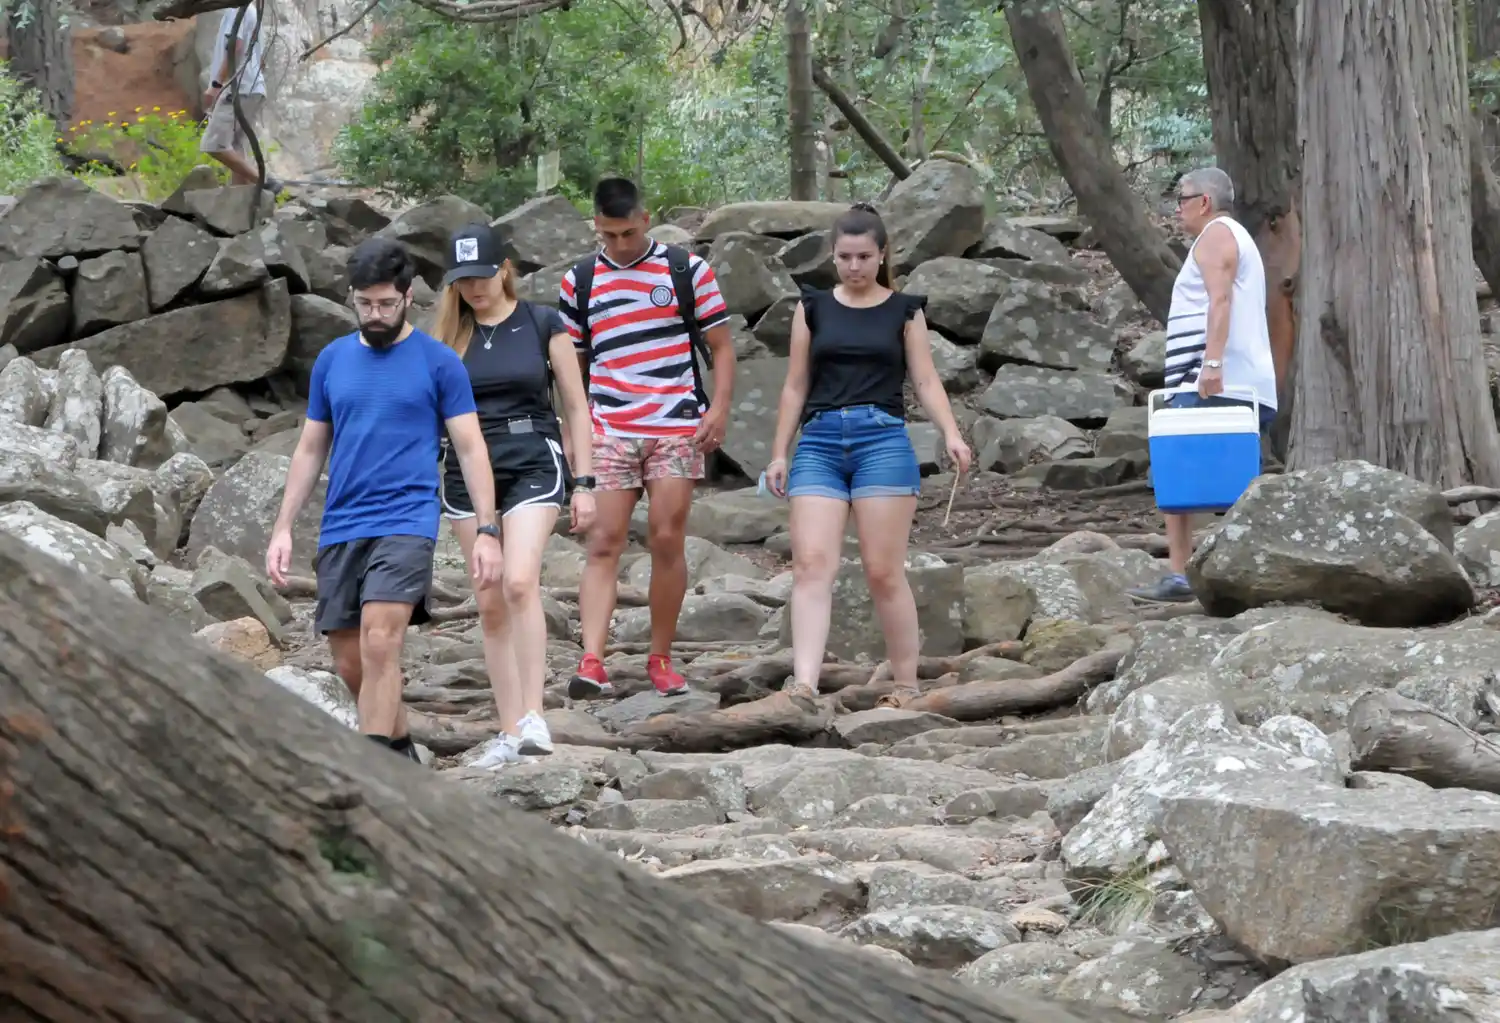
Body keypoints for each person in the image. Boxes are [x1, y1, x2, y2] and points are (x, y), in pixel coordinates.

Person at [264, 237, 502, 761]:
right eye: (364, 303)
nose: (375, 314)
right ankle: (401, 755)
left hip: (407, 519)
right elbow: (310, 447)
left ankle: (374, 780)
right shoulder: (332, 361)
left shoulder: (440, 363)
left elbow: (470, 446)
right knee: (352, 664)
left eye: (386, 304)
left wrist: (487, 530)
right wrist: (283, 526)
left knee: (381, 642)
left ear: (408, 294)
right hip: (342, 523)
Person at [764, 202, 972, 703]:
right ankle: (805, 685)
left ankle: (906, 683)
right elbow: (796, 385)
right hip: (819, 441)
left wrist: (951, 433)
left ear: (882, 255)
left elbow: (924, 378)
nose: (853, 267)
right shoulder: (812, 307)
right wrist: (779, 452)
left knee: (883, 570)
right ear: (832, 258)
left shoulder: (905, 310)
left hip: (882, 440)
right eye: (844, 257)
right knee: (813, 565)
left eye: (863, 257)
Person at [558, 177, 735, 699]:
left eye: (628, 233)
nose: (618, 244)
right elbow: (573, 367)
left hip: (675, 422)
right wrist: (575, 435)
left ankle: (661, 657)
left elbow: (721, 347)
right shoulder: (581, 280)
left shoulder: (687, 270)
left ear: (646, 217)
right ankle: (592, 660)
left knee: (666, 537)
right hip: (609, 426)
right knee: (603, 542)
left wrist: (719, 410)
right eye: (607, 235)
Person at [432, 223, 597, 769]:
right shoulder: (446, 337)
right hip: (466, 464)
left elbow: (576, 406)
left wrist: (586, 480)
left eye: (482, 276)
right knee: (488, 597)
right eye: (463, 280)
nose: (474, 289)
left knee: (520, 580)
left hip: (532, 454)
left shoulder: (543, 321)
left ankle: (534, 717)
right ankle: (507, 728)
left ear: (504, 269)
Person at [1128, 167, 1279, 604]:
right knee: (1186, 471)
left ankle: (1209, 574)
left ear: (1205, 202)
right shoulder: (1224, 236)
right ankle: (1186, 572)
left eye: (1182, 199)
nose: (1177, 209)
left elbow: (1221, 299)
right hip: (1210, 379)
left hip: (1215, 380)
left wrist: (1211, 364)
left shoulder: (1217, 235)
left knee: (1192, 471)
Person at [200, 1, 283, 194]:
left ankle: (266, 182)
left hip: (238, 88)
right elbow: (258, 58)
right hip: (253, 88)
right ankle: (240, 205)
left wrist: (216, 85)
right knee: (236, 147)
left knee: (214, 144)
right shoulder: (252, 11)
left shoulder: (238, 9)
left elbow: (235, 47)